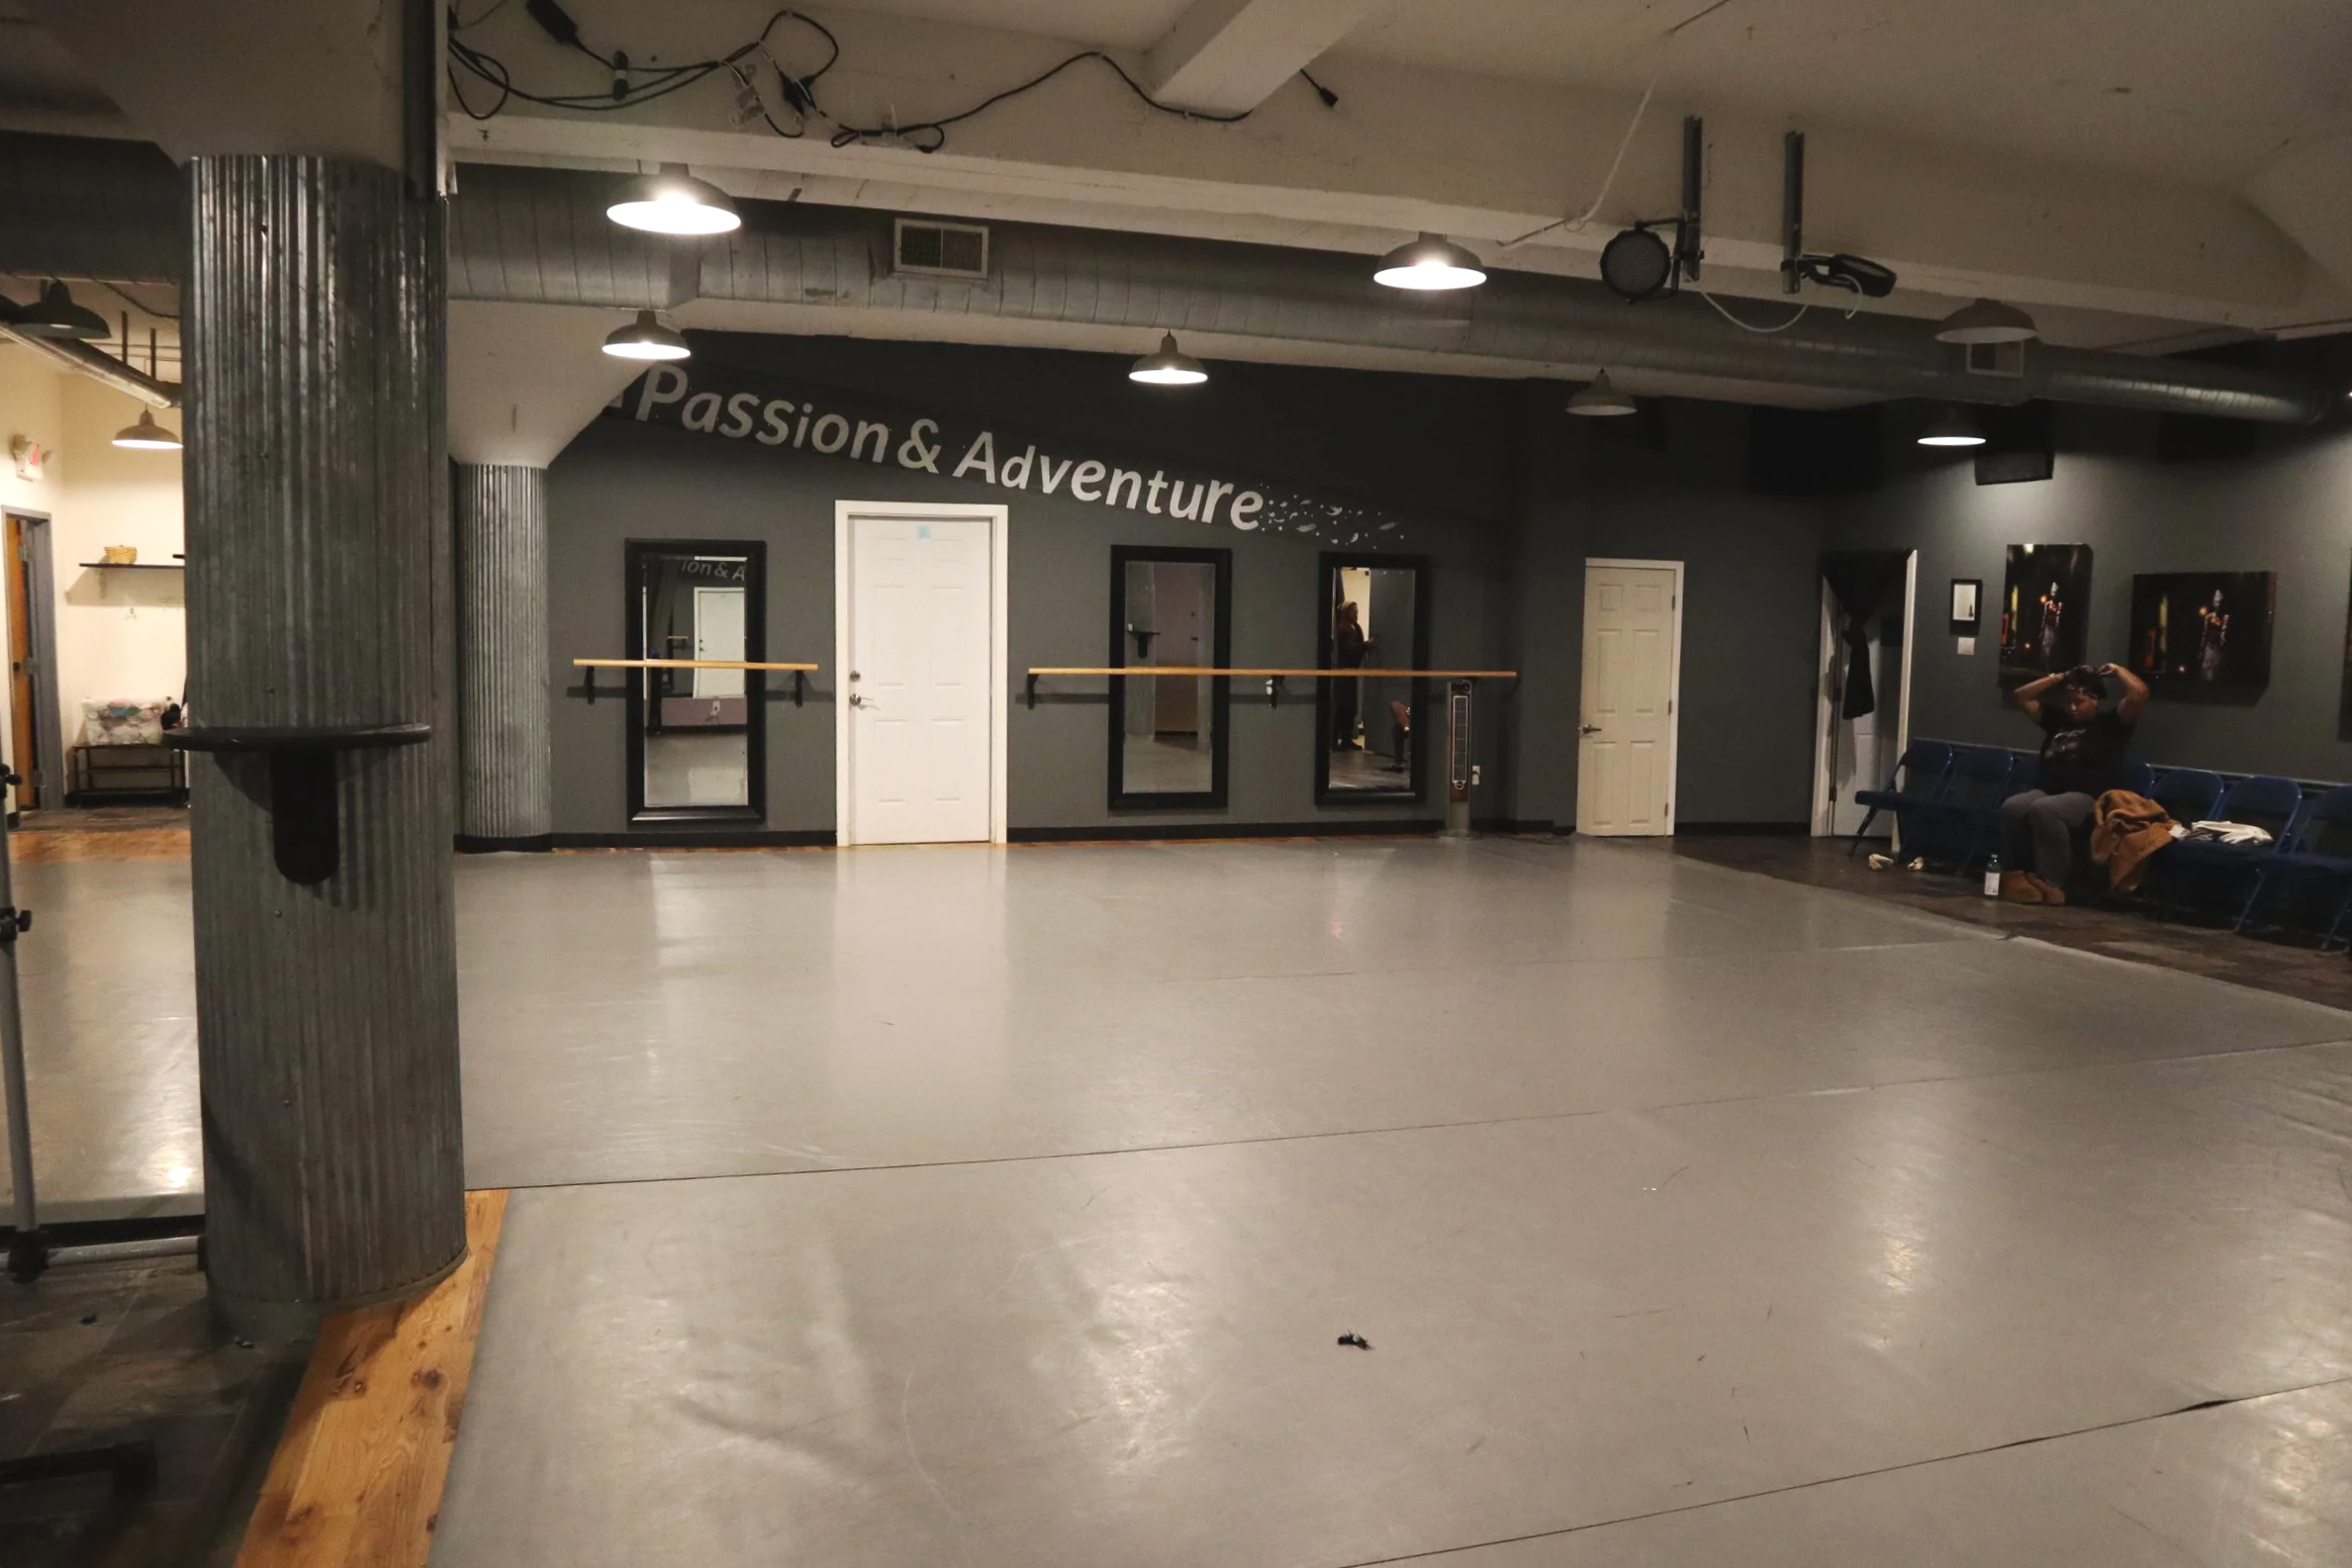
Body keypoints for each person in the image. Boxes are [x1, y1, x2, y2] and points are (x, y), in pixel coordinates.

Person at [1999, 661, 2148, 904]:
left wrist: (2119, 671)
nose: (2072, 708)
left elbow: (2140, 693)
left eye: (2079, 702)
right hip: (2048, 789)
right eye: (2068, 702)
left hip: (2089, 795)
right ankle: (2015, 875)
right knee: (2013, 807)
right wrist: (2060, 677)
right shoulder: (2057, 720)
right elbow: (2022, 696)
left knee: (2045, 809)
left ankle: (2052, 882)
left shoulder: (2111, 724)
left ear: (2095, 700)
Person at [1332, 600, 1366, 749]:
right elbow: (1349, 648)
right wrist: (1365, 646)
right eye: (1354, 612)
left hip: (1353, 672)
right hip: (1344, 673)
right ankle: (1335, 739)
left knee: (1351, 707)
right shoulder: (1343, 629)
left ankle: (1347, 738)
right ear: (1347, 613)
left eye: (1357, 612)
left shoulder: (1356, 628)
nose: (1356, 615)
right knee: (1342, 707)